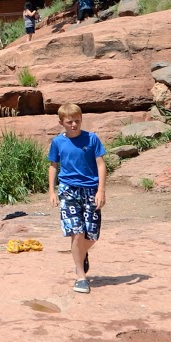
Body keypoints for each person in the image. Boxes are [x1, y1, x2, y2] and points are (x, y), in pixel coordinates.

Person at [46, 103, 106, 294]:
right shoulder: (57, 142)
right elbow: (53, 166)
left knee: (92, 234)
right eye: (69, 122)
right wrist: (52, 191)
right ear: (61, 122)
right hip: (68, 190)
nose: (74, 125)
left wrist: (101, 191)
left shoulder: (92, 139)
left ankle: (80, 253)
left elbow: (101, 165)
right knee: (76, 232)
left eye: (77, 121)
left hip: (90, 190)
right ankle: (81, 277)